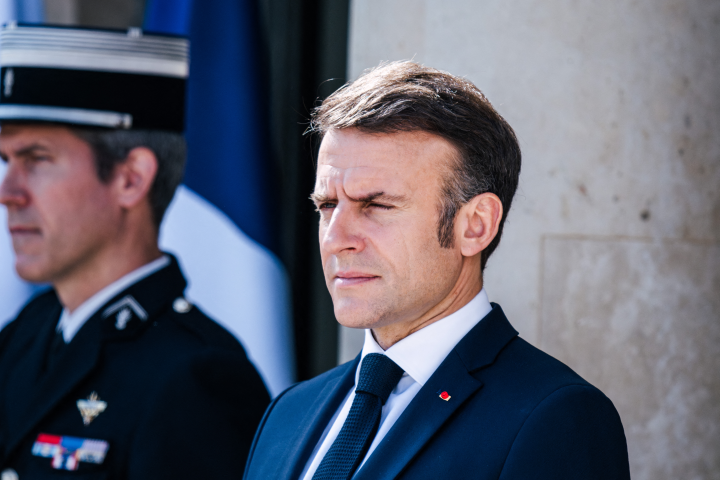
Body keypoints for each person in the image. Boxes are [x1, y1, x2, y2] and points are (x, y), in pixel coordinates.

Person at [243, 61, 630, 480]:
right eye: (328, 205)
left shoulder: (555, 419)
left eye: (377, 205)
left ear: (475, 225)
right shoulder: (287, 413)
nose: (337, 238)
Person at [0, 24, 269, 479]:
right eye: (6, 161)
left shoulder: (195, 378)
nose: (8, 192)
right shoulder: (28, 335)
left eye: (37, 159)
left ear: (130, 179)